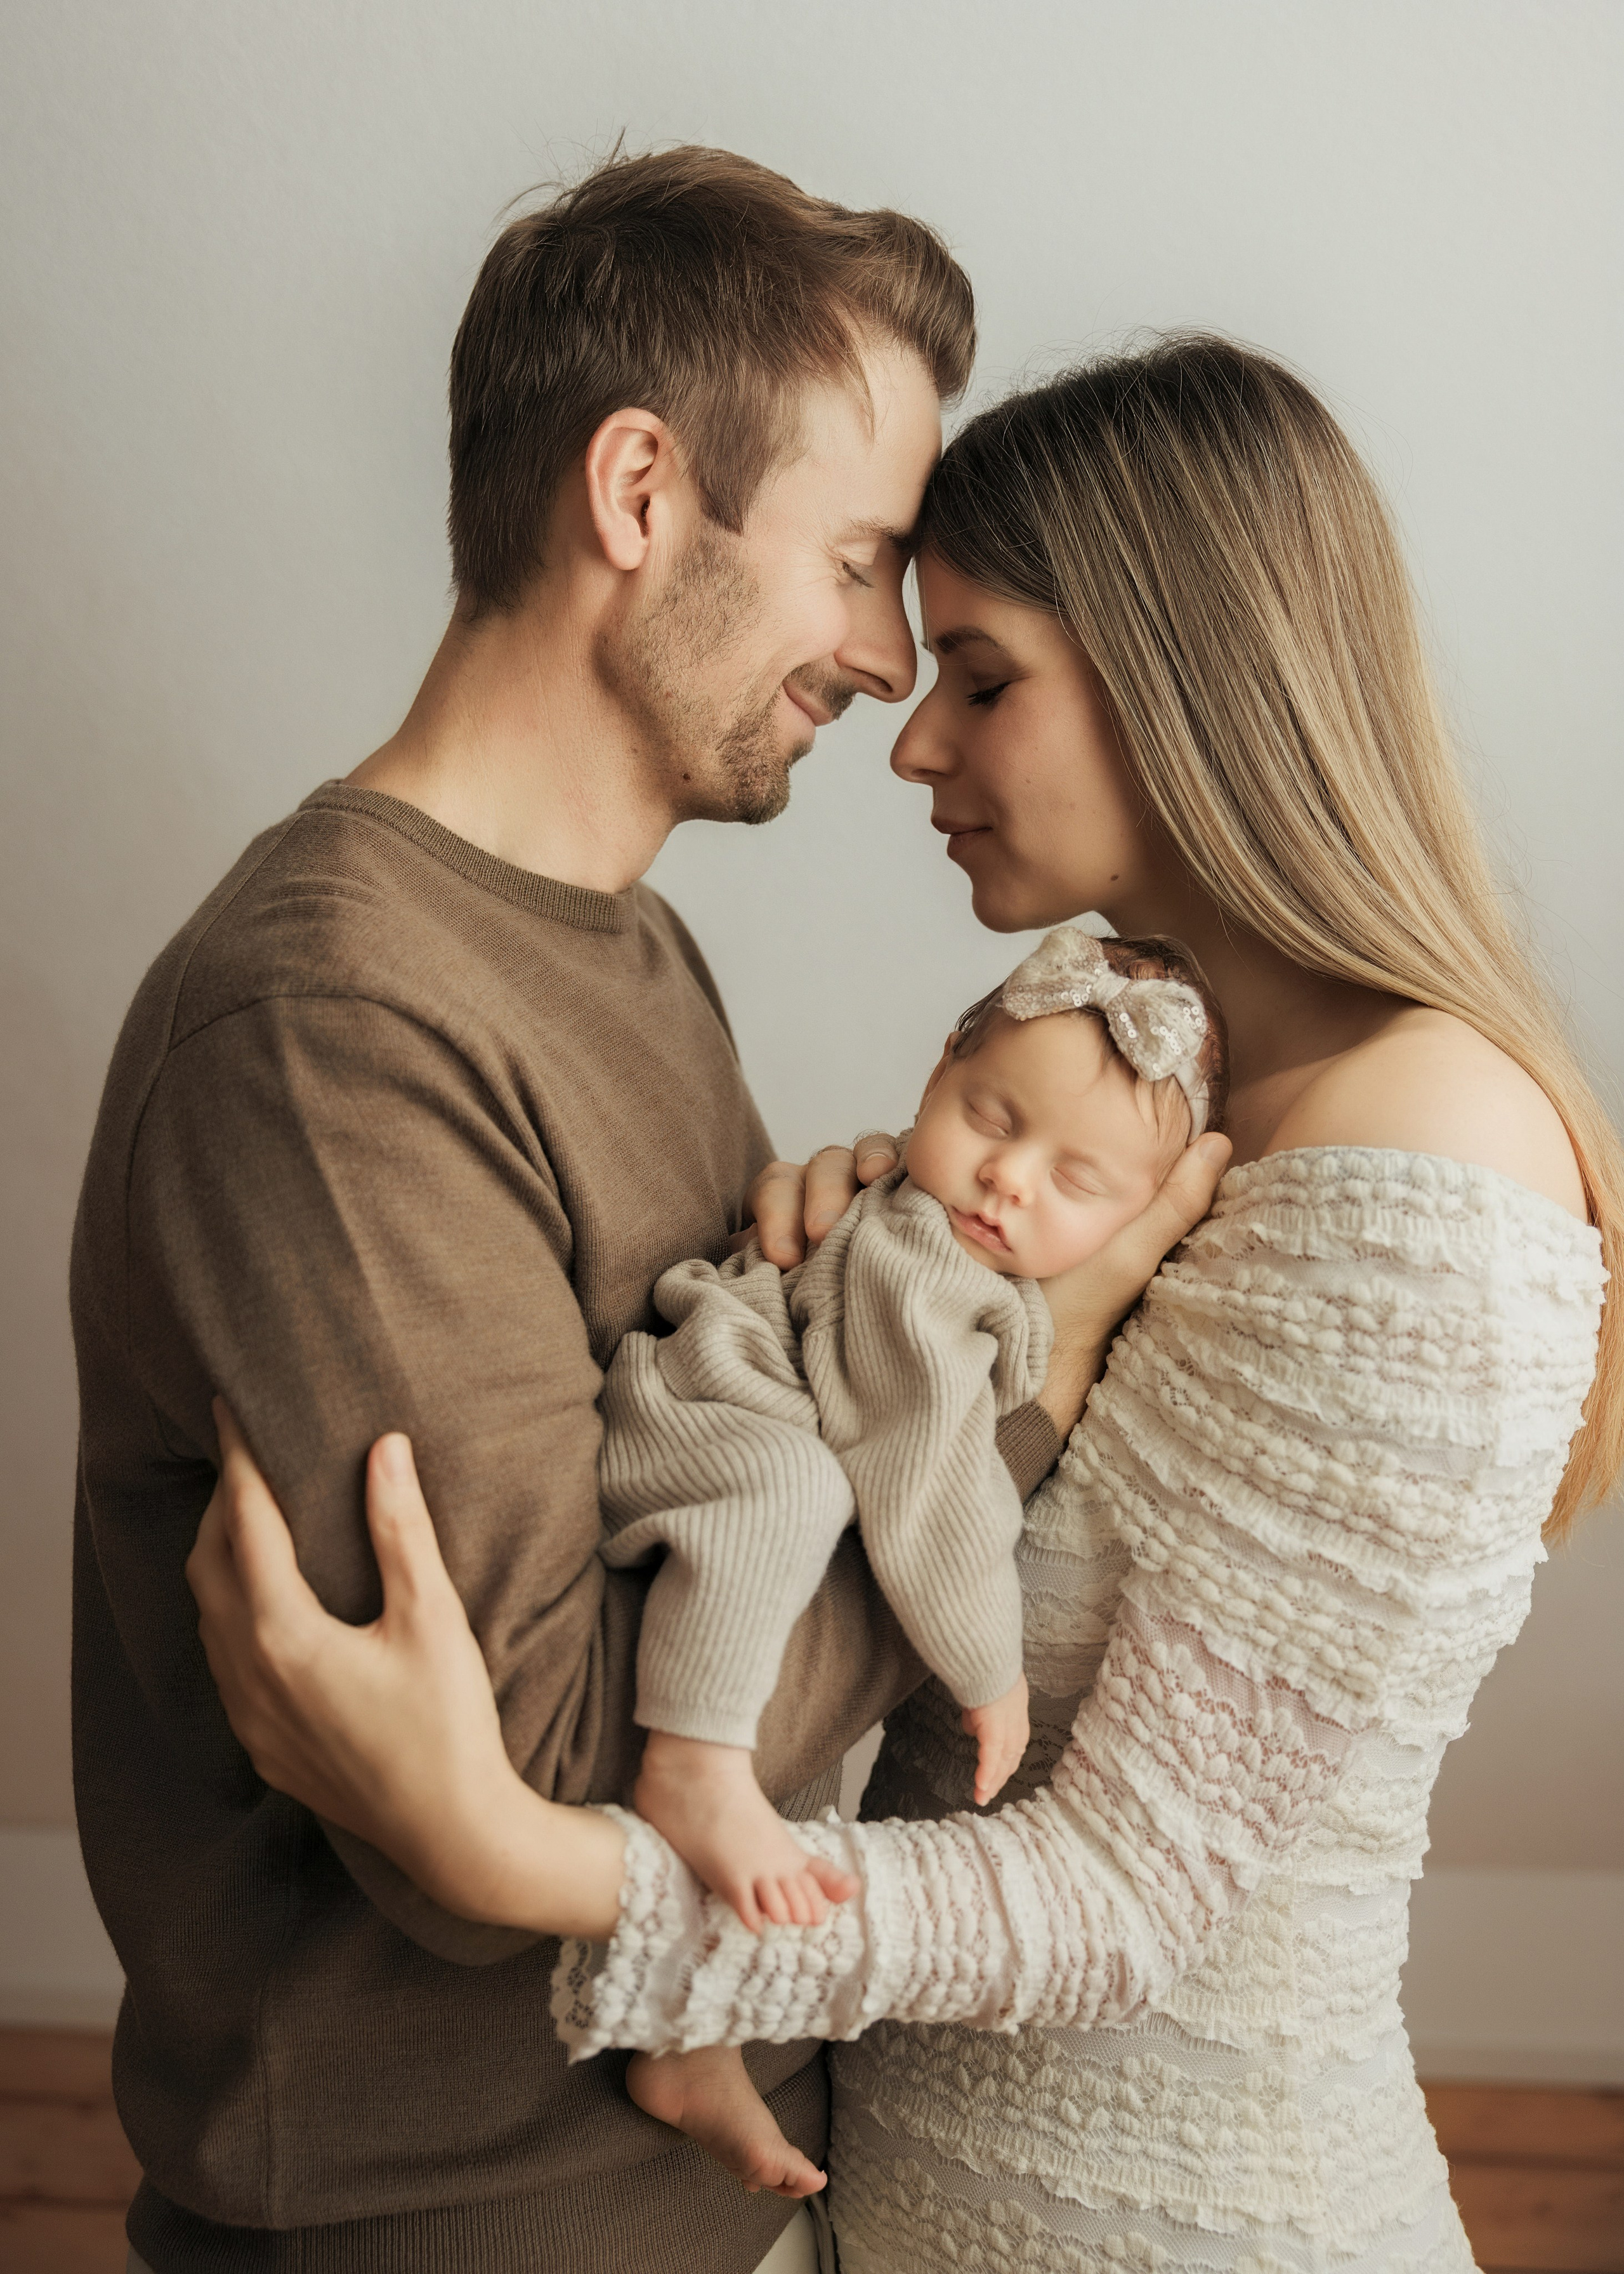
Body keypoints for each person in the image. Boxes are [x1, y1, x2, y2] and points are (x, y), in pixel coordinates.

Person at [187, 336, 1623, 2271]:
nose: (913, 738)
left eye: (983, 674)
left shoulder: (1432, 1157)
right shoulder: (1143, 1123)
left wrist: (506, 1850)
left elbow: (1123, 1898)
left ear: (1196, 674)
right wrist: (891, 1306)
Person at [74, 145, 1191, 2274]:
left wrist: (901, 1290)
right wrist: (1015, 1359)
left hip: (702, 2162)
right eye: (857, 564)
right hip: (465, 2230)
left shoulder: (625, 950)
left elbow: (711, 1494)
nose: (881, 663)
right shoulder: (332, 1028)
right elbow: (568, 1765)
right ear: (643, 493)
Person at [603, 929, 1227, 2198]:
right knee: (794, 1496)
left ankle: (684, 2034)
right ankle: (686, 1768)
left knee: (799, 1745)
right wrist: (987, 1667)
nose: (1003, 1180)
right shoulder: (914, 1261)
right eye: (989, 1115)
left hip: (752, 1471)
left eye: (1075, 1183)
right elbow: (922, 1477)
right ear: (941, 1065)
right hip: (699, 1427)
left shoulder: (976, 1265)